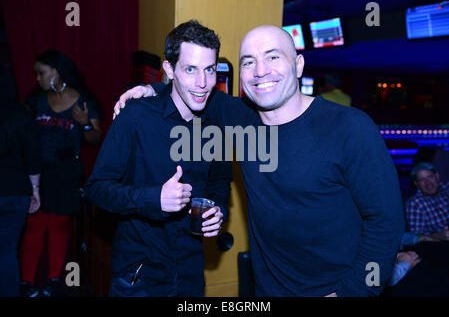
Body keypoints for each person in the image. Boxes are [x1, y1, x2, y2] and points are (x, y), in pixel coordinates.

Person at [114, 24, 404, 296]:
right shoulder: (242, 119)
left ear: (299, 65)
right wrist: (154, 89)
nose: (260, 71)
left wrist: (350, 292)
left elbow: (386, 224)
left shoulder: (350, 128)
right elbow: (195, 91)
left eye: (273, 57)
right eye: (249, 62)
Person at [85, 21, 232, 297]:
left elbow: (220, 180)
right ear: (169, 70)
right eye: (190, 70)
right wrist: (153, 199)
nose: (202, 83)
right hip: (140, 277)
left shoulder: (216, 124)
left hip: (190, 275)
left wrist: (218, 209)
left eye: (209, 70)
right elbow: (96, 188)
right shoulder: (135, 116)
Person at [19, 50, 102, 297]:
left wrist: (85, 122)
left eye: (41, 73)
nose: (37, 78)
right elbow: (21, 134)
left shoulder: (83, 100)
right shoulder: (35, 99)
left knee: (58, 226)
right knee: (34, 225)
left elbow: (95, 138)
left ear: (56, 72)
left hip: (65, 174)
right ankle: (27, 282)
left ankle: (55, 281)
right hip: (37, 173)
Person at [0, 102, 41, 297]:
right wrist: (35, 189)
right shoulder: (20, 115)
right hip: (15, 190)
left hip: (13, 191)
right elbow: (33, 155)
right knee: (7, 253)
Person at [406, 162, 449, 240]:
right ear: (416, 184)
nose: (428, 182)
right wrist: (438, 236)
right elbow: (416, 237)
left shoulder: (446, 188)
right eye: (422, 179)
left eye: (430, 177)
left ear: (437, 176)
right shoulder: (415, 203)